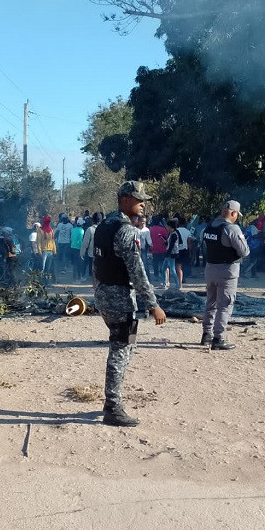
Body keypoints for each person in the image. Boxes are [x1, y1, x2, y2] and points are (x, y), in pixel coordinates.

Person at [94, 181, 166, 426]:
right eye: (139, 199)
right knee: (121, 347)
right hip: (119, 296)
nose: (143, 203)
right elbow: (137, 271)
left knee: (127, 344)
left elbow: (97, 263)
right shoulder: (126, 230)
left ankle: (113, 401)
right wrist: (153, 304)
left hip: (105, 292)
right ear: (125, 200)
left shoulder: (104, 225)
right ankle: (112, 407)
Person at [200, 200, 250, 350]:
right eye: (237, 215)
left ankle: (206, 335)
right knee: (225, 305)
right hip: (227, 271)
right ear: (233, 213)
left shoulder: (209, 227)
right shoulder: (232, 229)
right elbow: (244, 251)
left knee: (211, 302)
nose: (237, 218)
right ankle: (219, 338)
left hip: (210, 269)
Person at [79, 212, 101, 281]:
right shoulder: (104, 228)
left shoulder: (90, 229)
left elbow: (85, 243)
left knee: (92, 269)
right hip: (102, 254)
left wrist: (82, 253)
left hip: (92, 253)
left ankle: (93, 282)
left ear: (93, 220)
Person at [163, 219, 182, 289]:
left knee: (172, 269)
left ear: (170, 226)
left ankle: (177, 284)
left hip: (172, 254)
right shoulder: (171, 233)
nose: (166, 227)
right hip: (170, 253)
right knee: (164, 268)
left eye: (167, 226)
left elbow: (171, 246)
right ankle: (164, 283)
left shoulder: (174, 234)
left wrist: (167, 255)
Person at [149, 215, 168, 284]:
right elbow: (166, 238)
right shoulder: (163, 229)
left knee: (155, 263)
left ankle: (156, 275)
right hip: (162, 248)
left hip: (154, 249)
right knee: (162, 263)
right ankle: (162, 276)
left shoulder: (151, 229)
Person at [37, 215, 57, 281]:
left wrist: (54, 250)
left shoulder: (51, 230)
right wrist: (39, 251)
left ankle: (47, 283)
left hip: (50, 251)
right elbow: (38, 241)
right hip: (44, 251)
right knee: (42, 268)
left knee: (48, 269)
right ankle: (40, 283)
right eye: (47, 221)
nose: (48, 223)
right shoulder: (40, 230)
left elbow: (53, 241)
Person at [71, 218, 85, 282]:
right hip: (79, 248)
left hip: (72, 247)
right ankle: (79, 278)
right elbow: (81, 240)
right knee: (79, 264)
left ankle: (74, 278)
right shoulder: (82, 231)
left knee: (75, 264)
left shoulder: (73, 230)